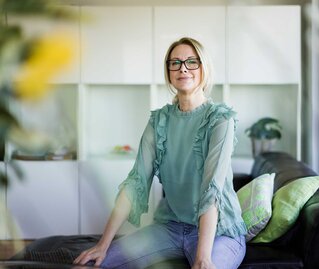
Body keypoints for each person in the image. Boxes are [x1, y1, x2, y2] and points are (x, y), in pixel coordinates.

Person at [74, 37, 247, 269]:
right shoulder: (159, 121)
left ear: (204, 68)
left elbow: (211, 191)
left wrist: (203, 257)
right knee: (93, 265)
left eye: (191, 61)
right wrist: (103, 244)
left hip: (219, 232)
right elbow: (135, 183)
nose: (182, 67)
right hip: (170, 227)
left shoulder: (220, 120)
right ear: (168, 71)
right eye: (174, 62)